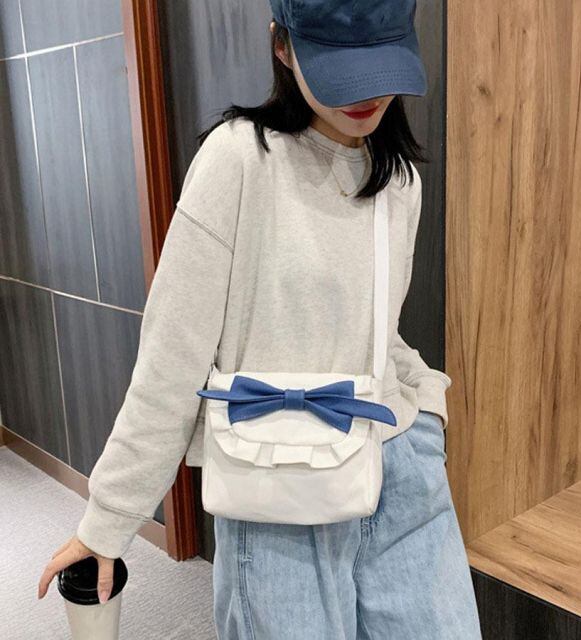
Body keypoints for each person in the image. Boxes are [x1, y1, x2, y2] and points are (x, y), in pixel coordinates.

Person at [38, 0, 483, 637]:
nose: (367, 95)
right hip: (279, 489)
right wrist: (107, 520)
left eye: (380, 63)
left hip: (400, 472)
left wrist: (427, 408)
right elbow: (173, 356)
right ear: (282, 47)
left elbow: (374, 331)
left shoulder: (399, 179)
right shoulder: (239, 160)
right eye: (340, 67)